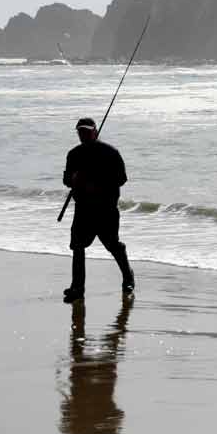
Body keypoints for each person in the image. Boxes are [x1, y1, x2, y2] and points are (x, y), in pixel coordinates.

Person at [62, 117, 134, 303]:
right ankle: (77, 288)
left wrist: (99, 186)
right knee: (77, 247)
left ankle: (128, 277)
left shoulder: (110, 153)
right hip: (83, 209)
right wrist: (74, 178)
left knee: (112, 245)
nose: (83, 134)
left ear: (95, 131)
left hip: (106, 208)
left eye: (86, 131)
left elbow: (122, 178)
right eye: (80, 132)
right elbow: (66, 180)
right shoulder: (74, 154)